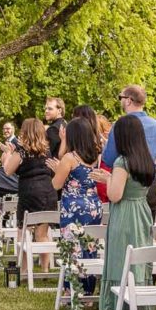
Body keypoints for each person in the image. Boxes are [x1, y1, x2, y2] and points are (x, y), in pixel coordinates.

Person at [90, 115, 156, 310]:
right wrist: (111, 178)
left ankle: (120, 309)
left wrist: (109, 179)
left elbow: (115, 195)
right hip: (141, 210)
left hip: (125, 214)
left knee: (121, 259)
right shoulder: (147, 159)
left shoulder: (122, 162)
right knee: (138, 259)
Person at [48, 117, 103, 293]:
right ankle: (88, 290)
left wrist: (57, 170)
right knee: (90, 247)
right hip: (93, 206)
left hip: (73, 207)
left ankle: (72, 289)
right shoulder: (96, 155)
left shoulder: (69, 158)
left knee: (72, 248)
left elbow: (56, 184)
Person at [1, 118, 55, 273]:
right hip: (47, 191)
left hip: (29, 191)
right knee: (42, 233)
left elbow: (8, 170)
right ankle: (44, 269)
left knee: (22, 232)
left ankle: (25, 269)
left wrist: (9, 154)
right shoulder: (46, 150)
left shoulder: (22, 150)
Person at [103, 85, 156, 215]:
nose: (120, 100)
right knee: (147, 230)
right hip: (149, 182)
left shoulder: (121, 126)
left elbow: (109, 159)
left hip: (124, 185)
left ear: (128, 100)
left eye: (121, 97)